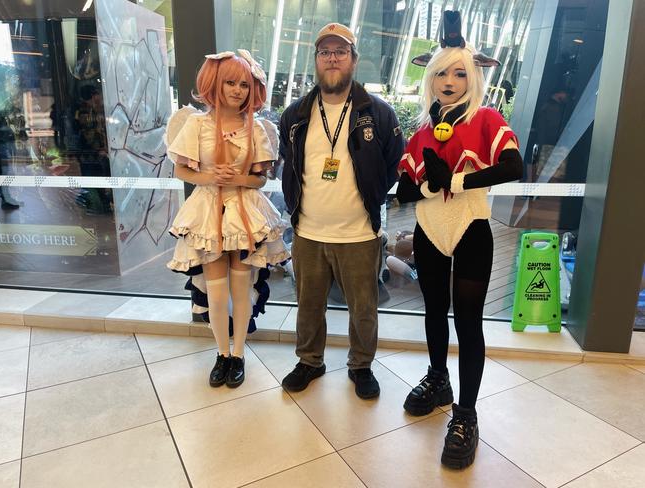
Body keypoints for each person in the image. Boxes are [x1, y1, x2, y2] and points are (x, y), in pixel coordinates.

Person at [396, 11, 523, 469]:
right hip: (430, 230)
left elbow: (513, 168)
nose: (449, 81)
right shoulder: (423, 131)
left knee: (468, 322)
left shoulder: (487, 118)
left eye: (459, 72)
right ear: (430, 78)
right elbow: (405, 189)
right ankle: (438, 380)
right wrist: (432, 184)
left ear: (473, 76)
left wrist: (459, 181)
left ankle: (466, 415)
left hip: (471, 228)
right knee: (433, 310)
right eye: (442, 73)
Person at [278, 23, 404, 399]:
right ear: (316, 60)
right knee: (308, 306)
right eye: (325, 52)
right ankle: (309, 361)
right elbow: (291, 163)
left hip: (359, 234)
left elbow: (393, 163)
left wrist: (371, 202)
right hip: (308, 232)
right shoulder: (296, 115)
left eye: (340, 51)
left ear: (353, 59)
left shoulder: (378, 113)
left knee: (363, 309)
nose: (332, 58)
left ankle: (361, 365)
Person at [166, 51, 289, 388]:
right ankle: (221, 354)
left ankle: (238, 355)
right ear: (213, 84)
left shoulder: (257, 128)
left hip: (246, 212)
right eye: (230, 82)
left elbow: (260, 179)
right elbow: (181, 168)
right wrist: (208, 175)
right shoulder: (195, 124)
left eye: (244, 84)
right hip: (209, 213)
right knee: (216, 294)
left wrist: (236, 179)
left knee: (242, 288)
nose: (237, 90)